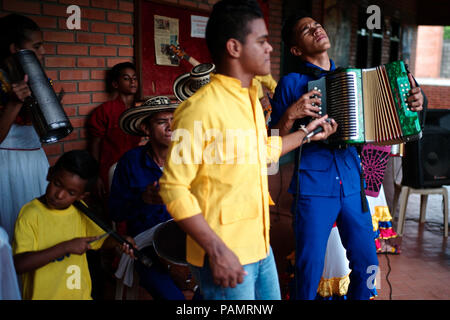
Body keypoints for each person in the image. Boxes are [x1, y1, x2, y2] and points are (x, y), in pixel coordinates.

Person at [158, 0, 337, 300]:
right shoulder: (198, 109)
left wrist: (308, 133)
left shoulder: (250, 100)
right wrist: (217, 251)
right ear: (234, 48)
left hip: (259, 245)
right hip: (225, 251)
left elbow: (262, 152)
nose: (270, 49)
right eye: (262, 41)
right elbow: (173, 189)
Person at [269, 13, 424, 300]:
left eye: (317, 24)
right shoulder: (292, 83)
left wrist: (414, 103)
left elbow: (389, 125)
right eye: (306, 30)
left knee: (369, 264)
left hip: (353, 183)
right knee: (308, 268)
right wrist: (292, 113)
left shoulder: (355, 79)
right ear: (296, 50)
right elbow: (271, 143)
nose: (316, 29)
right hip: (314, 185)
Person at [12, 150, 135, 300]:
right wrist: (66, 247)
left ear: (82, 195)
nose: (60, 195)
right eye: (57, 184)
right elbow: (19, 265)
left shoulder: (80, 210)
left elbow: (99, 241)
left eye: (71, 192)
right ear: (50, 174)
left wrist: (120, 240)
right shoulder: (30, 214)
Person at [110, 96, 188, 300]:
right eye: (162, 122)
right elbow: (115, 212)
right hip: (147, 245)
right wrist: (142, 199)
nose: (171, 127)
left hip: (189, 236)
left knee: (216, 287)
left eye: (175, 120)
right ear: (146, 129)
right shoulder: (130, 162)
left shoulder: (190, 158)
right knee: (172, 297)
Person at [0, 14, 50, 243]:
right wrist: (14, 103)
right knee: (14, 228)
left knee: (39, 229)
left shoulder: (34, 78)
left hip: (36, 162)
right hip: (8, 166)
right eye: (37, 46)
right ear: (14, 48)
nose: (43, 52)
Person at [87, 62, 142, 195]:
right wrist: (96, 175)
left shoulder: (140, 111)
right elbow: (95, 144)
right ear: (115, 84)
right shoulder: (105, 110)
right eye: (126, 78)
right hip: (110, 168)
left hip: (136, 168)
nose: (132, 82)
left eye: (134, 78)